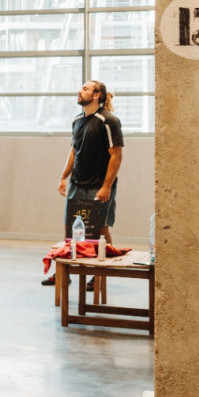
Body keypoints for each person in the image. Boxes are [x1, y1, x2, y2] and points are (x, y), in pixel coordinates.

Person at [43, 80, 124, 284]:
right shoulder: (77, 120)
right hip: (77, 184)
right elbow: (74, 151)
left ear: (97, 95)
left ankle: (100, 276)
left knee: (100, 230)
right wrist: (64, 177)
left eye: (85, 89)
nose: (80, 91)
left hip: (98, 186)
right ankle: (65, 274)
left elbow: (116, 155)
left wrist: (106, 186)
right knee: (70, 228)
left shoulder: (108, 121)